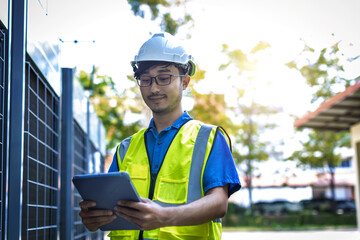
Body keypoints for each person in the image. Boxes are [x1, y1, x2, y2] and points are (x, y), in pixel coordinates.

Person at [79, 32, 241, 240]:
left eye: (164, 78)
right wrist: (94, 219)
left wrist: (164, 216)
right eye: (145, 80)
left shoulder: (209, 138)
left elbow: (219, 203)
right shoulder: (125, 148)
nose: (153, 88)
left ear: (185, 81)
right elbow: (108, 211)